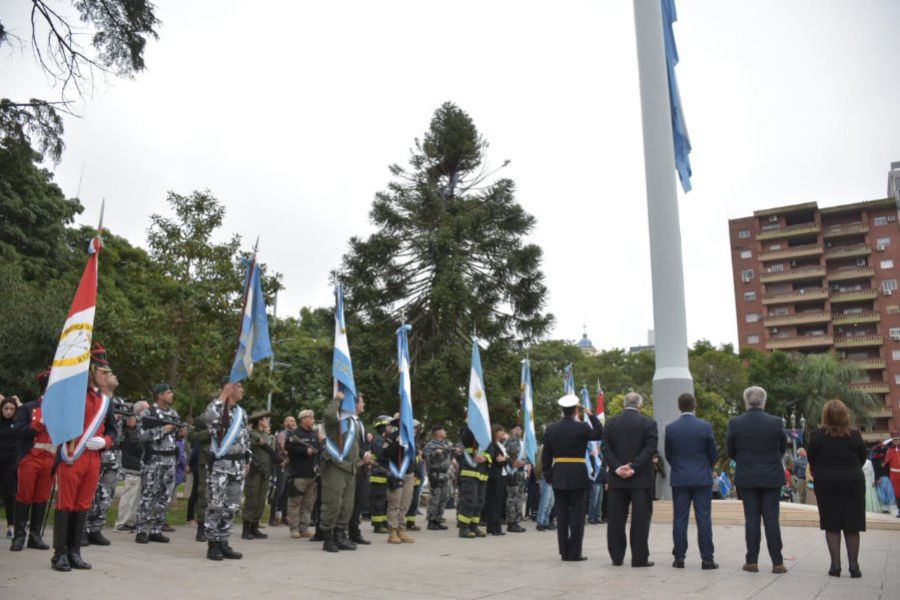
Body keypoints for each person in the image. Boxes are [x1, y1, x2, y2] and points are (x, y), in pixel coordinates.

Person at [51, 343, 119, 572]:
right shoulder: (75, 394)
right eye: (102, 372)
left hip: (93, 458)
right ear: (90, 372)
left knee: (82, 505)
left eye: (108, 373)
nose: (106, 377)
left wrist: (105, 442)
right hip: (72, 454)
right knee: (66, 504)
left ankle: (74, 552)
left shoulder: (105, 401)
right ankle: (59, 554)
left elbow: (113, 431)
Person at [726, 386, 787, 574]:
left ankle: (752, 561)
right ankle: (777, 562)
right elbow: (782, 448)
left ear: (746, 402)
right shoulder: (777, 422)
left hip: (747, 476)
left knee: (751, 519)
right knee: (771, 519)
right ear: (764, 401)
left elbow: (731, 450)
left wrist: (745, 461)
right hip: (771, 476)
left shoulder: (735, 423)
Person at [806, 399, 867, 578]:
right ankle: (854, 566)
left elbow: (812, 459)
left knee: (831, 523)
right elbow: (862, 457)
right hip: (852, 481)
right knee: (852, 524)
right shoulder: (854, 435)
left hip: (826, 481)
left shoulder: (817, 435)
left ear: (825, 416)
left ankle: (835, 565)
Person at [542, 394, 603, 561]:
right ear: (576, 411)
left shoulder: (551, 428)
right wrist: (591, 415)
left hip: (559, 473)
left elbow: (546, 455)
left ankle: (564, 551)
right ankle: (575, 552)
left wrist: (548, 474)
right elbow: (599, 433)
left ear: (562, 410)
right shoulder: (582, 427)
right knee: (577, 515)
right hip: (578, 473)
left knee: (561, 516)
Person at [664, 392, 718, 570]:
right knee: (704, 518)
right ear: (694, 405)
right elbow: (713, 454)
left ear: (679, 406)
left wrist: (679, 467)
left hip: (680, 478)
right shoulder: (705, 426)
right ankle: (707, 559)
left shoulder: (671, 428)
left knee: (680, 518)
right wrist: (707, 468)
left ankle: (679, 558)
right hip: (702, 478)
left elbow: (669, 454)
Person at [603, 391, 656, 567]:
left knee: (616, 519)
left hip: (617, 480)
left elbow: (605, 449)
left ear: (624, 404)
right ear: (640, 405)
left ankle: (616, 557)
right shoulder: (649, 423)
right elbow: (649, 449)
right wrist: (633, 467)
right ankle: (639, 558)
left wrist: (618, 467)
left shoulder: (610, 423)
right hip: (640, 480)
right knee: (641, 519)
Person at [202, 379, 248, 561]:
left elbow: (245, 439)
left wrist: (247, 460)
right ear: (230, 388)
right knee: (216, 505)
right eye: (239, 386)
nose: (242, 389)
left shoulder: (241, 413)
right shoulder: (218, 408)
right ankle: (212, 543)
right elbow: (207, 419)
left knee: (232, 506)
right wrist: (222, 396)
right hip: (221, 465)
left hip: (237, 466)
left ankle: (223, 541)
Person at [135, 383, 185, 545]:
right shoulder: (149, 413)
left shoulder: (173, 414)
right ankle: (142, 529)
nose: (172, 395)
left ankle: (156, 529)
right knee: (149, 494)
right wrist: (164, 430)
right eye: (169, 393)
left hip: (169, 460)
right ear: (160, 395)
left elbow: (176, 436)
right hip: (153, 459)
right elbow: (141, 436)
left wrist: (180, 433)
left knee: (164, 495)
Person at [10, 371, 53, 552]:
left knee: (41, 497)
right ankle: (19, 536)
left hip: (49, 457)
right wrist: (34, 427)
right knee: (24, 495)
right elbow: (17, 431)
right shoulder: (28, 408)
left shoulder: (61, 410)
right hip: (31, 456)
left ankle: (35, 536)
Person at [82, 373, 126, 547]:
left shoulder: (121, 403)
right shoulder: (93, 399)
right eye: (108, 374)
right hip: (94, 451)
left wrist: (132, 423)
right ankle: (82, 529)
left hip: (114, 454)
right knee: (89, 492)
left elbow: (129, 434)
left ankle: (96, 529)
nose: (114, 376)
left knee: (106, 494)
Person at [319, 390, 362, 552]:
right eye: (361, 401)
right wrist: (337, 398)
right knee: (333, 502)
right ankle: (328, 537)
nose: (363, 404)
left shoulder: (352, 422)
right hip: (336, 465)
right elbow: (328, 415)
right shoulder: (337, 420)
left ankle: (340, 535)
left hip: (350, 468)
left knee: (347, 505)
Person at [285, 409, 320, 539]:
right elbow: (288, 447)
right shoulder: (295, 433)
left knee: (308, 503)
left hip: (312, 474)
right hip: (298, 474)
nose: (313, 420)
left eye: (313, 418)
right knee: (295, 502)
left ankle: (304, 528)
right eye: (311, 418)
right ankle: (294, 528)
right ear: (304, 419)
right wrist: (305, 451)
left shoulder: (315, 434)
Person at [241, 410, 276, 540]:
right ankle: (246, 528)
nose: (267, 421)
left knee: (261, 500)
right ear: (260, 420)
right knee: (252, 499)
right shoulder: (252, 434)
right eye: (265, 418)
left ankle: (255, 527)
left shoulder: (265, 435)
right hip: (254, 471)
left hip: (265, 471)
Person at [114, 400, 148, 532]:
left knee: (135, 497)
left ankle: (130, 521)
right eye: (145, 410)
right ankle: (121, 522)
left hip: (137, 464)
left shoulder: (140, 426)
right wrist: (133, 428)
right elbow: (135, 443)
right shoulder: (129, 427)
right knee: (128, 495)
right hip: (131, 464)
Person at [383, 413, 416, 544]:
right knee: (394, 504)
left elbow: (414, 456)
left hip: (408, 473)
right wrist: (397, 442)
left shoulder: (410, 438)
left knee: (405, 503)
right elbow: (385, 453)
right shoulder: (391, 437)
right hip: (396, 473)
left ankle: (402, 529)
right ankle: (392, 531)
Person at [347, 395, 373, 545]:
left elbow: (362, 444)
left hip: (362, 467)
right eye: (362, 401)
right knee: (350, 502)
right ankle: (345, 532)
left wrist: (367, 453)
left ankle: (354, 532)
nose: (364, 404)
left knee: (358, 502)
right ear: (355, 404)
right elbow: (351, 444)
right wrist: (363, 454)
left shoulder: (360, 423)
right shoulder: (350, 423)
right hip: (353, 466)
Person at [456, 424, 490, 538]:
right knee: (469, 501)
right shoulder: (468, 430)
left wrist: (485, 457)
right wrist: (472, 425)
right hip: (470, 472)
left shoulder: (486, 435)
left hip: (482, 473)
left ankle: (474, 526)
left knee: (479, 502)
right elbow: (465, 440)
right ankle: (464, 527)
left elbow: (491, 449)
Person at [424, 424, 453, 530]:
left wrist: (455, 451)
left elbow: (451, 454)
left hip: (445, 473)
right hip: (435, 473)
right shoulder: (430, 445)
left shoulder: (447, 444)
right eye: (443, 430)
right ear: (438, 432)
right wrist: (435, 453)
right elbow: (426, 456)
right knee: (435, 497)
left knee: (444, 497)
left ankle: (439, 519)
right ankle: (431, 520)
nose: (445, 432)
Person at [368, 414, 392, 534]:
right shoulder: (378, 440)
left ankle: (383, 522)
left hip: (384, 473)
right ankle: (377, 525)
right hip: (378, 474)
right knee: (378, 500)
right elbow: (383, 456)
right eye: (389, 425)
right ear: (382, 427)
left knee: (384, 500)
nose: (391, 428)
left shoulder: (384, 440)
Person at [484, 424, 509, 536]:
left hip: (502, 475)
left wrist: (505, 459)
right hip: (495, 475)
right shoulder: (492, 445)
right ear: (495, 433)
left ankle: (495, 526)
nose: (503, 432)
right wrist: (505, 459)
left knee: (499, 501)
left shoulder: (500, 444)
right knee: (494, 501)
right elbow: (497, 460)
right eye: (500, 431)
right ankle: (493, 527)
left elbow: (505, 459)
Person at [504, 424, 528, 533]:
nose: (519, 431)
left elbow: (527, 457)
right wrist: (512, 462)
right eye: (517, 428)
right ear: (512, 430)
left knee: (520, 498)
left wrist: (524, 462)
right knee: (512, 498)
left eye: (520, 429)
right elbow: (505, 455)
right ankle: (511, 522)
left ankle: (516, 521)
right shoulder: (509, 441)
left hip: (521, 472)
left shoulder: (523, 442)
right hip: (512, 473)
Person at [1, 396, 19, 540]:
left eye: (11, 409)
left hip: (11, 464)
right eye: (5, 408)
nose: (8, 411)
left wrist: (18, 403)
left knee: (10, 495)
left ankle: (11, 526)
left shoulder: (18, 423)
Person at [534, 439, 556, 532]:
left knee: (551, 501)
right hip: (546, 476)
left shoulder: (556, 446)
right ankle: (540, 522)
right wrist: (540, 475)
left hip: (554, 477)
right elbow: (539, 463)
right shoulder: (544, 447)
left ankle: (546, 521)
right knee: (545, 501)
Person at [884, 432, 900, 518]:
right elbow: (885, 463)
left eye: (897, 440)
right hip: (894, 474)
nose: (896, 442)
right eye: (894, 440)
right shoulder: (889, 450)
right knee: (897, 494)